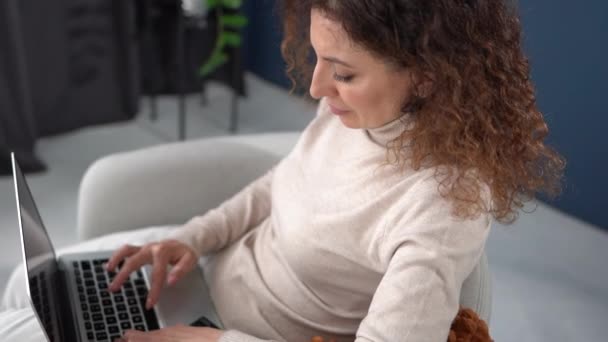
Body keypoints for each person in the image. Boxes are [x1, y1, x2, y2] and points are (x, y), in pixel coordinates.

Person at [1, 0, 565, 341]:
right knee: (30, 289)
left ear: (426, 76)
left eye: (342, 73)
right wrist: (193, 239)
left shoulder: (443, 206)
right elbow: (284, 183)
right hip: (204, 277)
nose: (317, 89)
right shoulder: (358, 114)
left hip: (233, 332)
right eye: (318, 58)